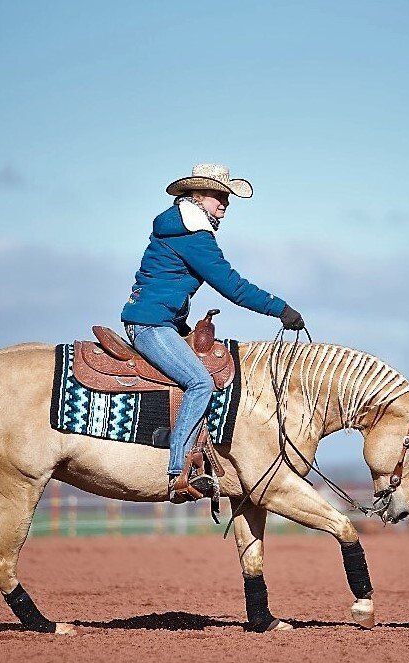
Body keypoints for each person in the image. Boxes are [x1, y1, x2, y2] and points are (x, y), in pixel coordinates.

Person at [121, 163, 305, 503]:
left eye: (227, 197)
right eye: (218, 195)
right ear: (196, 195)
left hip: (162, 322)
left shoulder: (181, 228)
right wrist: (280, 309)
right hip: (150, 324)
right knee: (200, 382)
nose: (225, 203)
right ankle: (178, 472)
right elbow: (232, 285)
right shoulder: (194, 235)